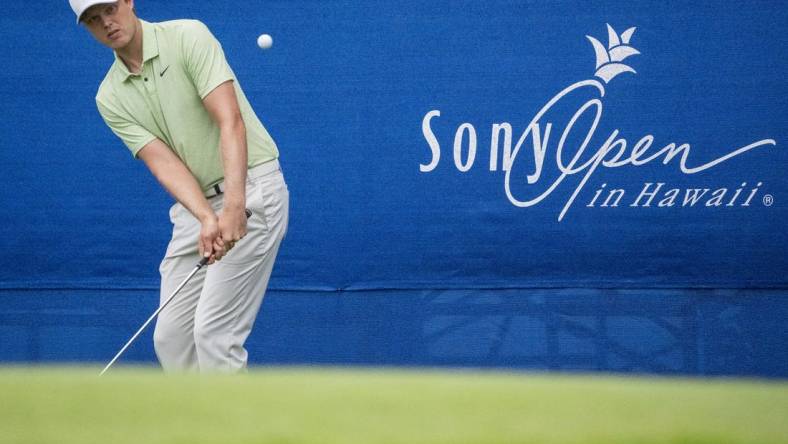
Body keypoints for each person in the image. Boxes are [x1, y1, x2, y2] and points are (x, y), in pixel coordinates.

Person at [69, 0, 289, 372]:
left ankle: (236, 431)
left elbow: (229, 120)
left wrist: (234, 206)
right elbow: (164, 163)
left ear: (128, 2)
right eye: (92, 19)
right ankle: (199, 428)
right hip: (194, 207)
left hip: (250, 188)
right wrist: (206, 217)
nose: (105, 23)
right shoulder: (109, 97)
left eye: (108, 9)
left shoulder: (188, 36)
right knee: (171, 339)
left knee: (214, 335)